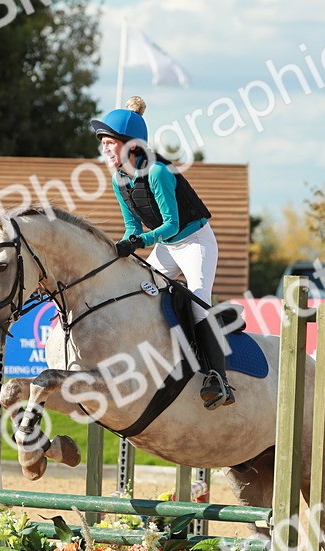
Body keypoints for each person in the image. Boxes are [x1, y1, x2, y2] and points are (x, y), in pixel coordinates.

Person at [90, 96, 234, 409]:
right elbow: (131, 224)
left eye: (109, 143)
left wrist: (140, 241)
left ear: (129, 145)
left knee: (197, 303)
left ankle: (219, 380)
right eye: (102, 143)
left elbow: (171, 223)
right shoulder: (120, 180)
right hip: (167, 247)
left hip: (195, 242)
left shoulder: (158, 173)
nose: (104, 149)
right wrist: (126, 243)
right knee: (139, 292)